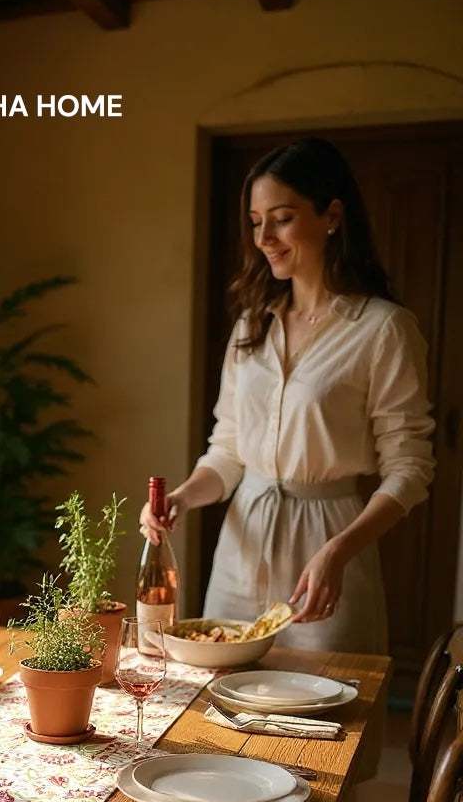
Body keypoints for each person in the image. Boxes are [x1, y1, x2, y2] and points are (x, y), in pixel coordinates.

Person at [141, 137, 435, 654]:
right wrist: (182, 500)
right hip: (239, 548)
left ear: (332, 215)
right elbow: (228, 450)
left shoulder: (383, 329)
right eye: (256, 222)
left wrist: (339, 553)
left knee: (326, 716)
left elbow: (409, 467)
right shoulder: (251, 325)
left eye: (280, 218)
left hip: (327, 550)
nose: (264, 238)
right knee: (218, 711)